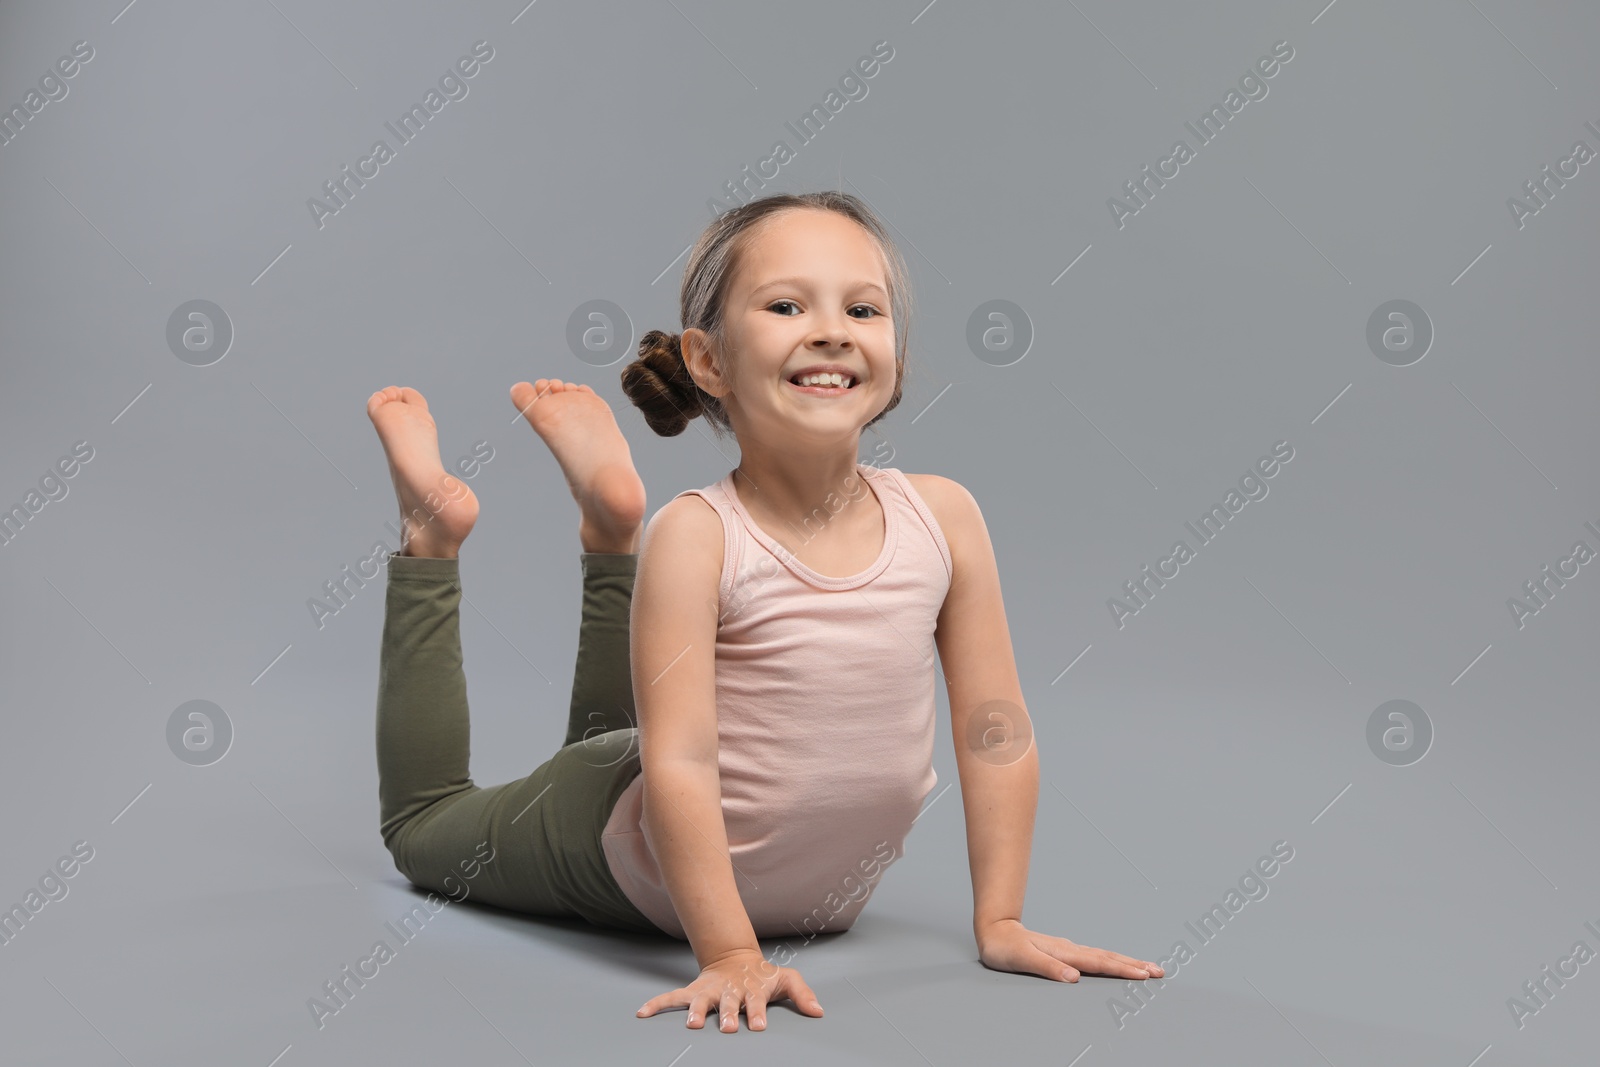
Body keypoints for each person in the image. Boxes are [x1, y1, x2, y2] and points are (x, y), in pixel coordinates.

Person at [367, 190, 1164, 1036]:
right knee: (423, 826)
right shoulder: (704, 532)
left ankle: (608, 528)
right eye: (787, 305)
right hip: (623, 848)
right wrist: (728, 952)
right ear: (708, 361)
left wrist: (1000, 919)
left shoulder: (945, 516)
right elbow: (677, 760)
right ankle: (435, 540)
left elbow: (994, 727)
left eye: (863, 308)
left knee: (610, 739)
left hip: (781, 881)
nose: (831, 330)